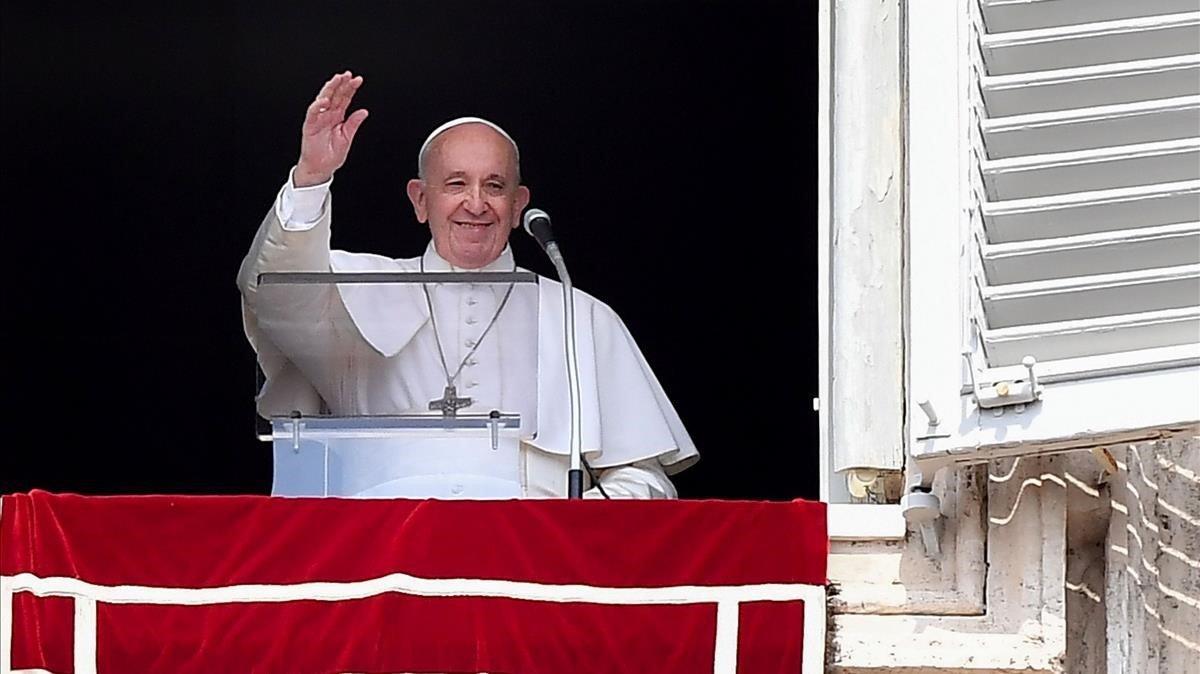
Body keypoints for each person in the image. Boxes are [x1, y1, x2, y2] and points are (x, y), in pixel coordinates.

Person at [238, 71, 698, 498]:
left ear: (518, 205)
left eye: (494, 187)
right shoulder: (356, 289)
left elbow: (644, 478)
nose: (475, 204)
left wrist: (567, 528)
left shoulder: (580, 316)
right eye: (456, 183)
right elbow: (272, 295)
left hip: (529, 563)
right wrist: (311, 178)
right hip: (382, 555)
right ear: (421, 200)